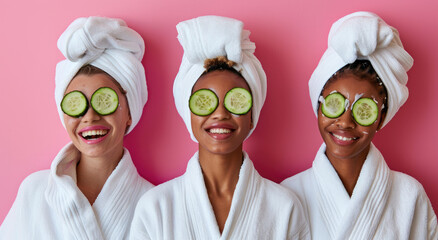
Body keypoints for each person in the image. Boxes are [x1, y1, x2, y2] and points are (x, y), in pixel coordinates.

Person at [130, 16, 309, 239]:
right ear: (190, 117)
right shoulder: (155, 207)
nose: (221, 114)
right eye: (205, 102)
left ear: (251, 117)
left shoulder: (285, 207)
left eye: (235, 102)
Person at [282, 11, 437, 239]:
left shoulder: (409, 195)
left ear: (381, 119)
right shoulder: (288, 194)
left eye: (363, 109)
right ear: (318, 108)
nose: (345, 122)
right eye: (334, 105)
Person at [0, 16, 153, 239]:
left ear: (129, 112)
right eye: (75, 104)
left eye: (105, 102)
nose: (89, 116)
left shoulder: (154, 202)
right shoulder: (34, 191)